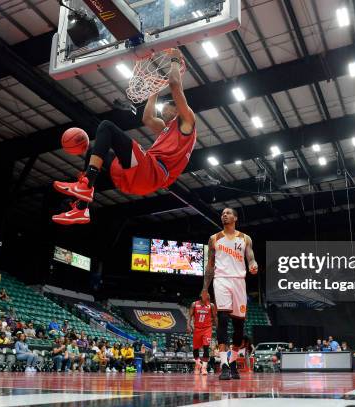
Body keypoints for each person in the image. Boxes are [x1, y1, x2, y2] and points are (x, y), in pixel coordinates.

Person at [52, 48, 197, 225]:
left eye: (167, 106)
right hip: (144, 176)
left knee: (107, 127)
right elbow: (147, 118)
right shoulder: (164, 128)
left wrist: (175, 60)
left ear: (177, 109)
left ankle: (85, 185)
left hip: (152, 172)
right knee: (93, 153)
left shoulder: (187, 121)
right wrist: (154, 91)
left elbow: (175, 85)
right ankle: (81, 208)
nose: (163, 109)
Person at [202, 207, 258, 380]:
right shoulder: (214, 239)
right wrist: (205, 288)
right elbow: (210, 265)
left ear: (235, 217)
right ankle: (224, 364)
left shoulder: (245, 238)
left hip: (239, 282)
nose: (224, 215)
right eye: (222, 214)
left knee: (239, 326)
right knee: (223, 319)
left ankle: (234, 362)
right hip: (221, 280)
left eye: (227, 213)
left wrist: (253, 264)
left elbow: (250, 257)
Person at [187, 290, 217, 375]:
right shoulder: (194, 304)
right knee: (195, 349)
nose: (207, 295)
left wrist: (218, 327)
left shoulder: (211, 305)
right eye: (205, 294)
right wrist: (188, 325)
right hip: (197, 329)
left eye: (208, 294)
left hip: (207, 329)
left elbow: (215, 317)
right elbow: (189, 316)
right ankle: (197, 363)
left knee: (206, 347)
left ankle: (204, 368)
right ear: (201, 295)